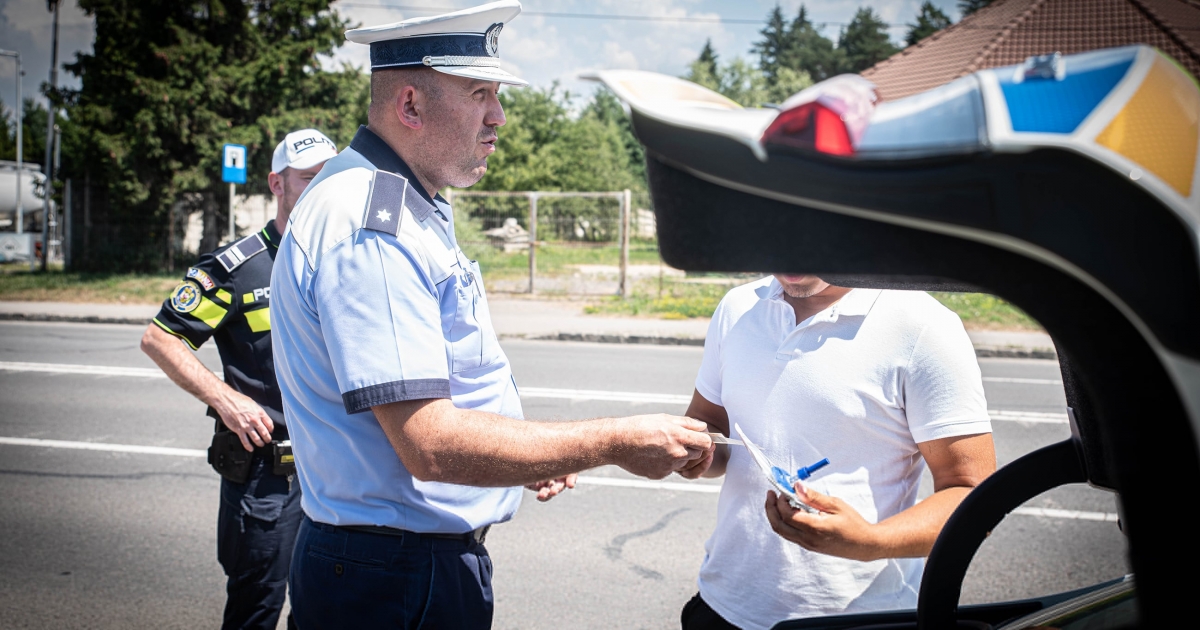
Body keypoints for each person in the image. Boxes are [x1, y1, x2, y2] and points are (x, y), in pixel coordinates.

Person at [268, 2, 712, 627]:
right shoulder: (373, 222)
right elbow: (429, 445)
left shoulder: (402, 197)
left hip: (396, 564)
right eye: (479, 94)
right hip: (392, 576)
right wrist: (611, 444)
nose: (498, 116)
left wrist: (533, 453)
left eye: (496, 95)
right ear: (411, 105)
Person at [676, 274, 997, 630]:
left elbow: (975, 498)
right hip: (723, 604)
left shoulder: (924, 325)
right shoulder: (738, 306)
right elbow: (710, 422)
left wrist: (870, 542)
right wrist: (691, 451)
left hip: (861, 617)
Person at [141, 128, 338, 629]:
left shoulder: (347, 259)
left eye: (330, 177)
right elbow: (161, 338)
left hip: (337, 469)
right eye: (308, 178)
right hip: (270, 475)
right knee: (256, 609)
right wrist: (225, 399)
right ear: (277, 184)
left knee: (329, 608)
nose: (321, 188)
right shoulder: (238, 268)